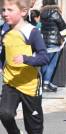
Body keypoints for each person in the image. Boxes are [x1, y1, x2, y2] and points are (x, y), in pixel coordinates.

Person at [0, 0, 49, 134]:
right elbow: (5, 52)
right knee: (5, 114)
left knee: (34, 128)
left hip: (30, 85)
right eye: (3, 10)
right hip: (11, 82)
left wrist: (26, 59)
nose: (5, 13)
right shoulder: (4, 30)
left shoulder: (31, 32)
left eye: (10, 10)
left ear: (23, 12)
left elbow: (45, 57)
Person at [40, 0, 66, 92]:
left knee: (45, 63)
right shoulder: (55, 13)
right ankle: (46, 83)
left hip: (44, 42)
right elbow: (63, 26)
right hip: (54, 42)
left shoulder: (42, 14)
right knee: (52, 64)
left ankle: (44, 82)